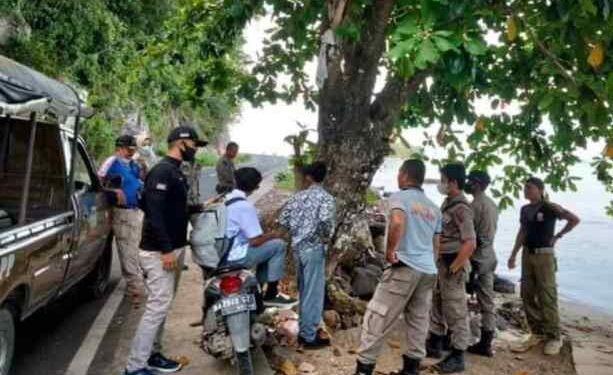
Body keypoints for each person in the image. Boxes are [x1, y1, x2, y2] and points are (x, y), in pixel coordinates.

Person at [124, 126, 207, 375]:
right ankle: (135, 367)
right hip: (160, 251)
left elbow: (175, 209)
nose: (195, 150)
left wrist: (202, 205)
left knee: (162, 304)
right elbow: (155, 214)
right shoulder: (162, 171)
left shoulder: (175, 171)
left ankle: (153, 355)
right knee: (157, 306)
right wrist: (167, 250)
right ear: (181, 142)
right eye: (194, 144)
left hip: (173, 247)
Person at [354, 159, 442, 375]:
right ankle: (411, 369)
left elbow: (396, 221)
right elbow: (436, 244)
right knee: (418, 320)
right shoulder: (434, 208)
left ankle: (364, 368)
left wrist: (390, 252)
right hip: (428, 270)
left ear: (403, 174)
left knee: (377, 316)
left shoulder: (399, 197)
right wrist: (431, 265)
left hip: (404, 267)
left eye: (399, 172)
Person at [508, 177, 580, 356]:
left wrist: (558, 236)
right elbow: (522, 232)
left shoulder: (550, 207)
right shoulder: (525, 210)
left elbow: (574, 219)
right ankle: (537, 332)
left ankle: (554, 336)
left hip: (545, 255)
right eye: (525, 188)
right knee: (527, 293)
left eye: (530, 188)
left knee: (547, 295)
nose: (526, 191)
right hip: (527, 254)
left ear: (540, 190)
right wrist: (513, 254)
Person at [278, 161, 336, 349]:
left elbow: (283, 219)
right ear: (324, 177)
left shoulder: (297, 197)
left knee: (304, 290)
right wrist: (324, 237)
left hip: (297, 249)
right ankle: (308, 336)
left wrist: (298, 231)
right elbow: (326, 221)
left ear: (308, 177)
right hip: (313, 248)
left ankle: (305, 330)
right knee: (313, 293)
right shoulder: (326, 198)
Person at [426, 163, 476, 374]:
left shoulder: (462, 208)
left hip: (452, 263)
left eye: (443, 179)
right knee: (437, 302)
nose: (441, 183)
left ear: (453, 182)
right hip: (441, 262)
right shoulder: (448, 203)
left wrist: (455, 267)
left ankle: (458, 354)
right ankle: (435, 342)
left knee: (455, 310)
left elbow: (470, 242)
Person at [222, 167, 297, 308]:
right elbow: (255, 241)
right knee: (278, 245)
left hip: (222, 252)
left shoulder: (226, 199)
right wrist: (272, 235)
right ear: (255, 186)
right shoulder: (244, 206)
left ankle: (257, 290)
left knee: (267, 249)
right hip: (235, 256)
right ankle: (271, 294)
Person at [98, 135, 144, 305]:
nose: (131, 153)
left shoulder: (132, 164)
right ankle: (135, 287)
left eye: (133, 150)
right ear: (119, 148)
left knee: (134, 248)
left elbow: (136, 180)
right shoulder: (112, 161)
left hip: (135, 211)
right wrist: (113, 193)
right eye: (129, 149)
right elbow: (98, 181)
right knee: (127, 249)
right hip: (122, 212)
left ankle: (136, 284)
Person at [465, 171, 498, 357]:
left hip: (475, 257)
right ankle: (486, 343)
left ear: (476, 184)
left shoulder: (474, 206)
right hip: (489, 256)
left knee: (458, 296)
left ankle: (451, 337)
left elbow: (469, 236)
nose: (467, 184)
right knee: (487, 301)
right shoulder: (492, 205)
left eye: (470, 181)